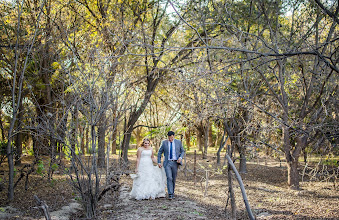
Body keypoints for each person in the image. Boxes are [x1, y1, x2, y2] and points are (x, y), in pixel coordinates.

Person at [158, 131, 185, 200]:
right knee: (169, 177)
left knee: (174, 178)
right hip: (167, 163)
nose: (170, 139)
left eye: (172, 137)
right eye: (169, 138)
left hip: (175, 163)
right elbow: (160, 152)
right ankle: (170, 194)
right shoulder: (164, 143)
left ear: (174, 136)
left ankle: (172, 192)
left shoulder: (178, 142)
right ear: (168, 137)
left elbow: (182, 151)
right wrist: (159, 162)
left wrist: (180, 157)